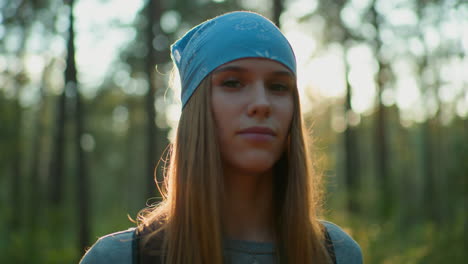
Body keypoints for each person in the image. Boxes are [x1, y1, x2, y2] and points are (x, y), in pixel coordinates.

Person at [80, 11, 362, 264]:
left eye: (278, 86)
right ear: (197, 109)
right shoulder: (119, 258)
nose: (262, 103)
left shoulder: (336, 254)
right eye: (233, 83)